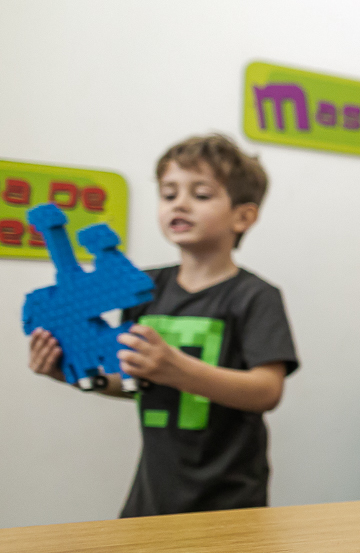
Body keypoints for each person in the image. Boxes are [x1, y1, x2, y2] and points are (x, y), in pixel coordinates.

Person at [28, 134, 299, 517]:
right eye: (169, 194)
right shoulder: (143, 288)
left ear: (243, 216)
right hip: (151, 498)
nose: (180, 204)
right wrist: (74, 374)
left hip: (230, 503)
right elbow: (136, 382)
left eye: (201, 194)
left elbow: (267, 391)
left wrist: (179, 369)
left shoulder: (256, 296)